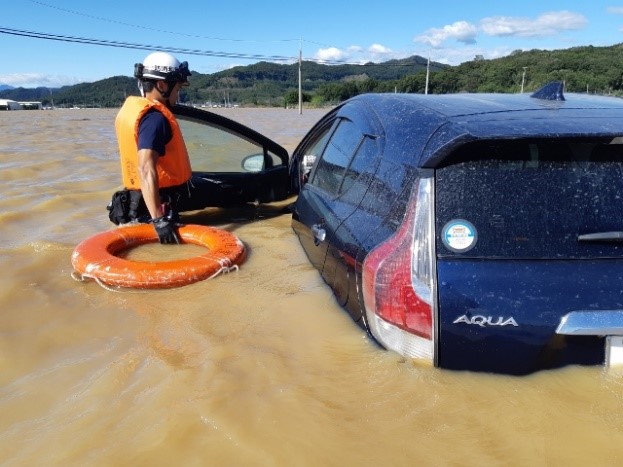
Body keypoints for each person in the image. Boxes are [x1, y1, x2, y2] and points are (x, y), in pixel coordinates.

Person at [108, 51, 193, 244]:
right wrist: (159, 220)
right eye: (177, 88)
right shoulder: (155, 119)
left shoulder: (136, 111)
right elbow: (146, 168)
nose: (178, 95)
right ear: (162, 85)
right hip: (150, 211)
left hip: (134, 203)